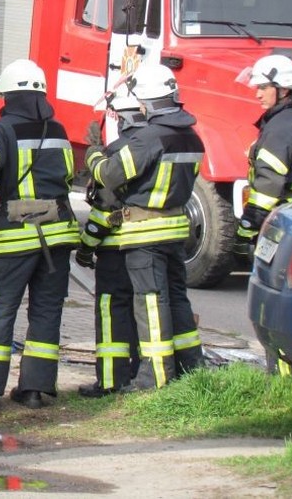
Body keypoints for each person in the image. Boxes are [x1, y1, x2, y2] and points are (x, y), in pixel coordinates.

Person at [0, 59, 80, 411]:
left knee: (0, 309)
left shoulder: (0, 130)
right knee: (46, 310)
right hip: (58, 232)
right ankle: (34, 392)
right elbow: (68, 176)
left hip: (18, 233)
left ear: (8, 95)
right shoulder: (57, 130)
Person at [84, 64, 205, 390]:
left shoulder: (149, 138)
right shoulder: (191, 136)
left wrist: (93, 156)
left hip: (144, 235)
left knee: (150, 303)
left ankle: (154, 379)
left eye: (139, 102)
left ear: (148, 102)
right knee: (177, 301)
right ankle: (192, 370)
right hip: (176, 232)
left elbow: (111, 175)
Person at [75, 85, 146, 397]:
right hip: (143, 249)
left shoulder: (117, 154)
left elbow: (104, 212)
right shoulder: (150, 147)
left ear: (120, 116)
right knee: (136, 313)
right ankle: (134, 373)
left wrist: (86, 248)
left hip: (115, 250)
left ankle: (109, 381)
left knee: (111, 312)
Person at [234, 54, 292, 258]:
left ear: (283, 89)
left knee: (271, 283)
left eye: (264, 87)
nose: (258, 94)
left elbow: (268, 186)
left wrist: (246, 228)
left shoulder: (280, 127)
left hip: (281, 221)